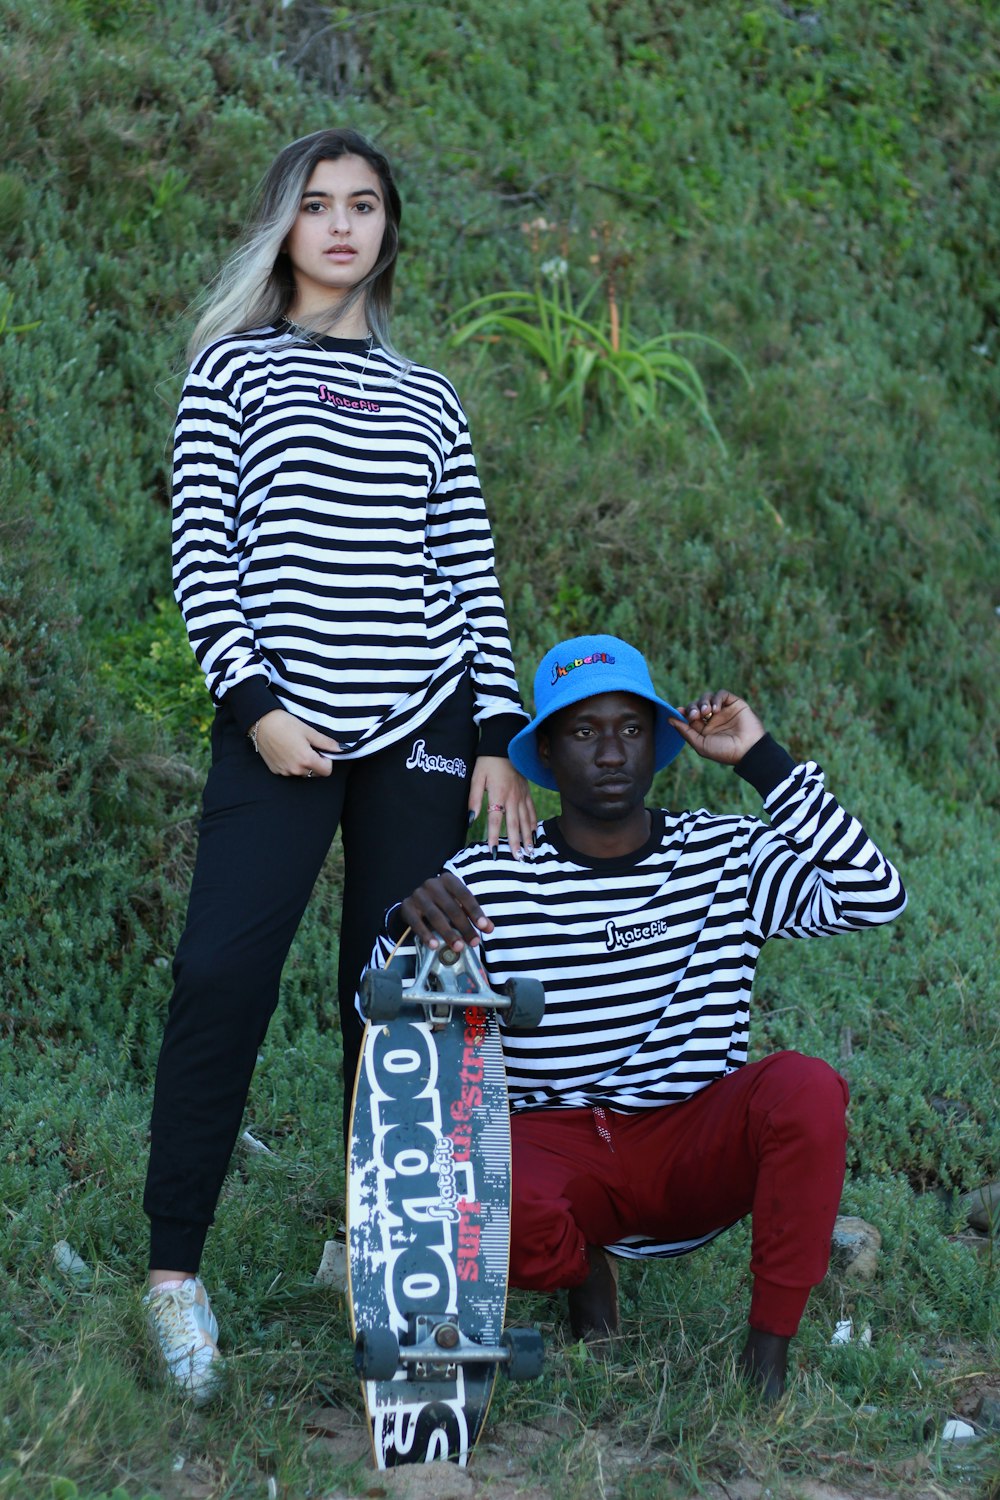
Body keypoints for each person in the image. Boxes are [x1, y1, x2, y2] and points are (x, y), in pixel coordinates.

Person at [142, 127, 535, 1403]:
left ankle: (386, 1261)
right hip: (282, 727)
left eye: (365, 206)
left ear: (387, 232)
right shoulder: (233, 371)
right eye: (319, 206)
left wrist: (496, 733)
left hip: (422, 727)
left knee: (398, 1004)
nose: (344, 226)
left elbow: (465, 571)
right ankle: (172, 1279)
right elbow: (206, 550)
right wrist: (251, 705)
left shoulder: (429, 397)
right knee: (220, 970)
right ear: (285, 226)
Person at [392, 634, 907, 1400]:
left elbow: (874, 894)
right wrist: (407, 923)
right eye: (582, 730)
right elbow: (395, 1021)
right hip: (557, 1149)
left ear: (660, 744)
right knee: (458, 1170)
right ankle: (583, 1270)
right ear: (545, 754)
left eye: (631, 729)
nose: (609, 752)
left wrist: (763, 761)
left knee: (806, 1088)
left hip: (690, 1140)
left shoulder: (724, 853)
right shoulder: (490, 877)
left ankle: (766, 1363)